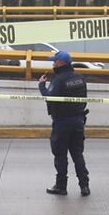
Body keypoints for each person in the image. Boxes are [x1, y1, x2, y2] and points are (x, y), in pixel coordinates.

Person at [39, 50, 89, 196]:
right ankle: (84, 186)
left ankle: (61, 186)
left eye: (55, 61)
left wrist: (42, 85)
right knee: (77, 154)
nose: (53, 63)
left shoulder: (59, 79)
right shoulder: (80, 78)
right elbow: (84, 99)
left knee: (60, 155)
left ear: (61, 63)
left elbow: (50, 98)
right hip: (78, 121)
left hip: (62, 122)